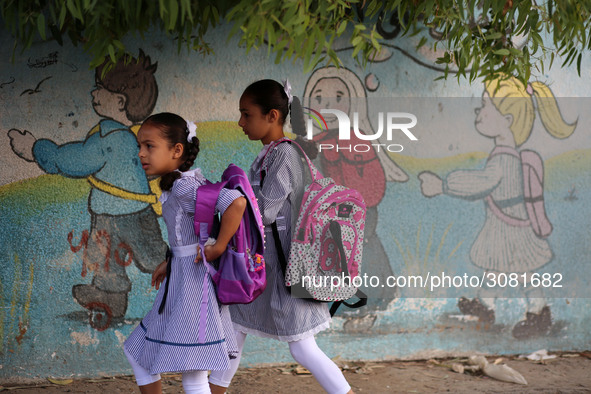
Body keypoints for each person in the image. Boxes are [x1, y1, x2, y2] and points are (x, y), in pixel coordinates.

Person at [208, 80, 354, 394]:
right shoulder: (271, 154)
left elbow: (265, 211)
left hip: (285, 267)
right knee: (234, 327)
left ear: (272, 115)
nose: (241, 122)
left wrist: (226, 203)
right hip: (266, 264)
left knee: (302, 347)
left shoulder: (284, 156)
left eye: (247, 115)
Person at [8, 50, 166, 321]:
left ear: (119, 101)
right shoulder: (130, 137)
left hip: (128, 215)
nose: (93, 93)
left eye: (100, 89)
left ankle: (186, 284)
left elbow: (76, 160)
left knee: (147, 258)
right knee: (110, 259)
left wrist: (36, 149)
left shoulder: (109, 138)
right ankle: (110, 299)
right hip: (116, 214)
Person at [418, 76, 576, 338]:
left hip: (512, 229)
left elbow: (483, 182)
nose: (479, 111)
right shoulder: (505, 154)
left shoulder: (504, 159)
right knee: (497, 270)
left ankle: (538, 312)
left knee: (523, 274)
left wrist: (443, 185)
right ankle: (485, 305)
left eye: (485, 105)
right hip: (505, 225)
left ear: (508, 120)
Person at [124, 112, 246, 394]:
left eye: (149, 146)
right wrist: (171, 262)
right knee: (138, 353)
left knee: (193, 374)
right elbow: (187, 234)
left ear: (177, 150)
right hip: (182, 278)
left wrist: (217, 247)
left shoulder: (185, 186)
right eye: (139, 146)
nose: (141, 153)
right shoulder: (177, 184)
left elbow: (235, 203)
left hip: (195, 288)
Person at [303, 66, 408, 329]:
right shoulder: (314, 141)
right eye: (319, 98)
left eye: (338, 97)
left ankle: (369, 307)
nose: (328, 104)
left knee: (362, 256)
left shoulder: (357, 140)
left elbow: (371, 185)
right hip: (330, 216)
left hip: (358, 212)